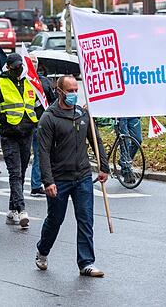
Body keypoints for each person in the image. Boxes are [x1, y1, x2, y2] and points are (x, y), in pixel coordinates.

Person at [35, 74, 109, 277]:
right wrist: (48, 181)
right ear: (59, 92)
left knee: (85, 219)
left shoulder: (83, 114)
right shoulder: (49, 118)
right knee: (55, 219)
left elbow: (96, 141)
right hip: (59, 179)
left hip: (83, 176)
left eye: (76, 90)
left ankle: (86, 262)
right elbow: (43, 152)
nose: (74, 94)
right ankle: (42, 250)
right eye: (70, 91)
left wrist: (104, 167)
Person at [0, 53, 38, 228]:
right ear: (8, 67)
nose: (19, 69)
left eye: (21, 66)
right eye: (16, 66)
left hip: (27, 132)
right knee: (15, 173)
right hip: (9, 133)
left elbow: (36, 104)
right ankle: (21, 209)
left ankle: (11, 210)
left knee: (22, 172)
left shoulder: (28, 83)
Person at [29, 55, 56, 197]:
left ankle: (36, 184)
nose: (32, 64)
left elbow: (53, 100)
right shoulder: (22, 80)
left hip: (42, 124)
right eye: (30, 61)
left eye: (35, 62)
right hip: (25, 124)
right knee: (24, 156)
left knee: (41, 154)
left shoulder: (45, 81)